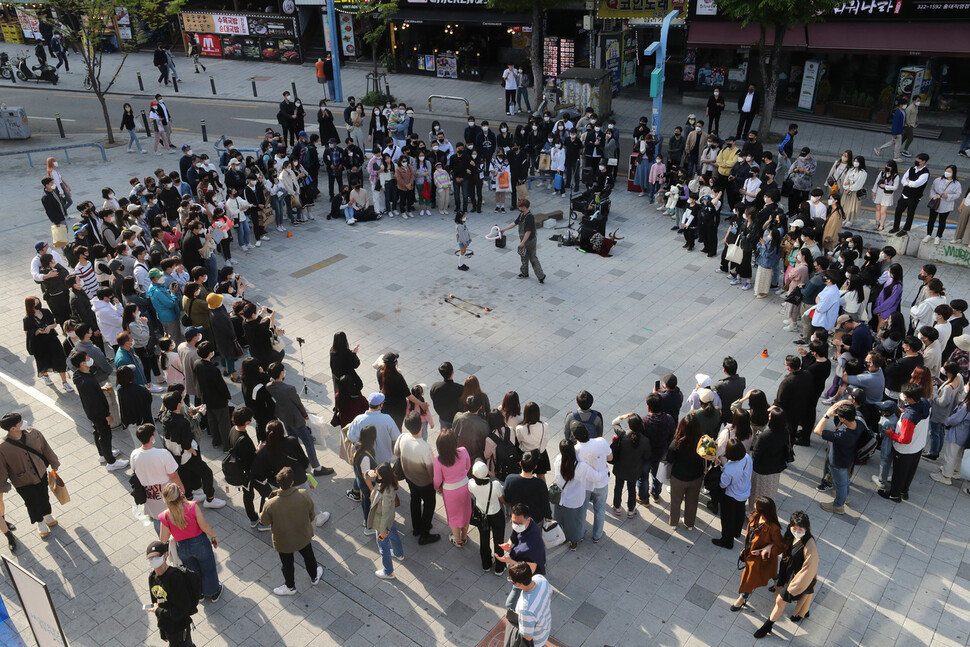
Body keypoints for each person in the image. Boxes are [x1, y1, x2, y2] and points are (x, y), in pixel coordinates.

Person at [259, 467, 327, 595]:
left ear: (277, 482)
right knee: (309, 557)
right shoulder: (303, 494)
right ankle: (314, 577)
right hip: (303, 534)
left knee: (287, 564)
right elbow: (311, 514)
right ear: (292, 482)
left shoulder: (270, 504)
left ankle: (290, 587)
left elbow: (264, 521)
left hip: (284, 540)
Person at [754, 511, 819, 637]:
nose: (797, 531)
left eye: (800, 529)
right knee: (789, 598)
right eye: (794, 527)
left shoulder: (810, 545)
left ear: (806, 528)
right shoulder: (790, 534)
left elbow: (809, 569)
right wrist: (768, 548)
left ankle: (767, 626)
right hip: (787, 571)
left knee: (780, 601)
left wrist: (792, 588)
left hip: (797, 578)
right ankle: (803, 612)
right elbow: (781, 544)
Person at [265, 362, 333, 476]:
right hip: (296, 419)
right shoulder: (289, 389)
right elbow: (298, 403)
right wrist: (305, 415)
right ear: (281, 373)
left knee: (293, 440)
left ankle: (298, 463)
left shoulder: (269, 386)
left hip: (284, 418)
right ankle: (317, 467)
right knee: (308, 441)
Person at [0, 414, 61, 539]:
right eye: (20, 422)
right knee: (32, 502)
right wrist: (3, 485)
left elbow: (45, 448)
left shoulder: (33, 433)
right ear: (12, 429)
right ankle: (40, 523)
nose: (24, 422)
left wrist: (54, 462)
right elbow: (1, 468)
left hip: (40, 473)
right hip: (22, 481)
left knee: (44, 495)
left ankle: (47, 515)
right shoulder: (2, 447)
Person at [159, 484, 223, 601]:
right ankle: (213, 592)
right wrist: (214, 535)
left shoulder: (165, 516)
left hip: (182, 547)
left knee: (193, 571)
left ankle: (199, 594)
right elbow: (204, 526)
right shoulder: (192, 507)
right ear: (180, 495)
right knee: (208, 568)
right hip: (200, 544)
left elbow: (163, 539)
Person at [70, 352, 126, 471]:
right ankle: (111, 462)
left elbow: (90, 394)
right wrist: (107, 415)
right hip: (98, 413)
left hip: (90, 411)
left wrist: (99, 389)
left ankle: (103, 454)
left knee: (97, 432)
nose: (90, 359)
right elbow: (96, 401)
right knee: (105, 435)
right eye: (88, 358)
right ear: (83, 364)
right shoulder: (88, 381)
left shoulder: (78, 376)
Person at [878, 382, 931, 503]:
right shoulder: (925, 403)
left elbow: (905, 439)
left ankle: (894, 495)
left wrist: (890, 433)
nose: (902, 396)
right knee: (910, 471)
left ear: (910, 399)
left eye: (905, 395)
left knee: (899, 473)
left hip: (905, 450)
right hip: (918, 445)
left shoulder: (909, 416)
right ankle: (904, 490)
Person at [731, 496, 784, 611]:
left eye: (756, 505)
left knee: (748, 579)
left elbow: (780, 545)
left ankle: (742, 598)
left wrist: (767, 548)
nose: (754, 506)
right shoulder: (756, 516)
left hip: (762, 559)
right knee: (771, 573)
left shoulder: (773, 527)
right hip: (751, 553)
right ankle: (777, 582)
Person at [394, 412, 440, 544]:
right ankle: (425, 534)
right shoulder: (425, 448)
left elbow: (396, 452)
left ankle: (416, 528)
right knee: (429, 505)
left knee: (414, 500)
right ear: (421, 426)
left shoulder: (402, 437)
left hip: (410, 478)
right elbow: (431, 470)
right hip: (425, 483)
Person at [812, 402, 863, 515]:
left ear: (843, 419)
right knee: (845, 481)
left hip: (838, 462)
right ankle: (845, 497)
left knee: (840, 484)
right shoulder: (859, 423)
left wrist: (827, 415)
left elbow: (817, 431)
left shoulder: (842, 435)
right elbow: (850, 403)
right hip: (848, 458)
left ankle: (838, 506)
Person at [145, 541, 197, 647]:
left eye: (156, 557)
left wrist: (159, 612)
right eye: (150, 558)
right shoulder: (152, 577)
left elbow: (182, 609)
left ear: (165, 555)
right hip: (168, 627)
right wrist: (162, 628)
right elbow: (156, 603)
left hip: (179, 628)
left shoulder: (175, 577)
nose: (153, 561)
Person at [228, 407, 270, 530]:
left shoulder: (232, 430)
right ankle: (263, 522)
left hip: (241, 473)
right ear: (246, 422)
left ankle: (253, 519)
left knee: (247, 494)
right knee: (267, 493)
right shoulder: (244, 440)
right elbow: (251, 459)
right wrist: (259, 450)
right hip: (251, 473)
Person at [433, 428, 472, 548]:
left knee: (454, 517)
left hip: (450, 492)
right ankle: (464, 537)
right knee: (466, 513)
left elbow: (437, 481)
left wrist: (437, 488)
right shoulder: (463, 451)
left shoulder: (438, 461)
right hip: (465, 487)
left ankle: (458, 541)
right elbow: (468, 466)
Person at [23, 296, 72, 391]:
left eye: (38, 302)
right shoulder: (27, 319)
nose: (38, 304)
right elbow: (27, 334)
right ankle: (45, 375)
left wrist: (49, 327)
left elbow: (54, 324)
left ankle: (65, 382)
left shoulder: (45, 312)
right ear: (31, 306)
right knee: (43, 361)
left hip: (52, 340)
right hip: (39, 344)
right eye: (36, 303)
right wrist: (37, 331)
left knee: (60, 360)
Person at [552, 438, 593, 550]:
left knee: (559, 519)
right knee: (574, 523)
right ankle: (573, 542)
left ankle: (560, 538)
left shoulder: (558, 460)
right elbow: (593, 477)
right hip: (575, 500)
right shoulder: (581, 466)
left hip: (560, 499)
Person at [666, 416, 705, 529]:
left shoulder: (676, 443)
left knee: (676, 501)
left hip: (679, 477)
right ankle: (689, 524)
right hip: (696, 477)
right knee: (692, 501)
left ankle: (674, 523)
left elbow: (670, 459)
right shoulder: (702, 441)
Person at [712, 438, 753, 548]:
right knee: (739, 512)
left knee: (727, 520)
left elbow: (723, 484)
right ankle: (737, 532)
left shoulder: (730, 468)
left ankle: (727, 541)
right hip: (744, 492)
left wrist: (717, 468)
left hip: (731, 496)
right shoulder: (747, 458)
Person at [366, 462, 404, 579]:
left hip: (382, 521)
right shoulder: (389, 479)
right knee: (393, 533)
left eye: (377, 472)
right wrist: (369, 473)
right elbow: (368, 476)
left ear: (382, 476)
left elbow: (385, 514)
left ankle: (388, 571)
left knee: (383, 545)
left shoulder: (387, 492)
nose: (375, 473)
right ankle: (399, 554)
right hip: (389, 520)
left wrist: (382, 530)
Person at [610, 414, 650, 519]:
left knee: (618, 487)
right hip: (634, 470)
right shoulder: (645, 440)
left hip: (620, 468)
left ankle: (617, 507)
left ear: (628, 425)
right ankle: (631, 510)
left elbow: (614, 423)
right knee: (632, 490)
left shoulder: (623, 434)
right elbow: (647, 456)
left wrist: (624, 416)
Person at [469, 459, 506, 572]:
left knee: (484, 540)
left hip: (482, 515)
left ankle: (486, 565)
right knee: (499, 541)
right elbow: (502, 499)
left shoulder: (471, 484)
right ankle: (499, 568)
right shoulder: (495, 485)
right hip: (496, 514)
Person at [347, 392, 401, 465]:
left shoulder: (358, 419)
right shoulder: (387, 418)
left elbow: (351, 438)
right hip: (384, 458)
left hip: (365, 458)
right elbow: (396, 437)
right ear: (380, 405)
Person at [500, 199, 545, 284]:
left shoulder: (529, 217)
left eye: (520, 207)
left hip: (530, 241)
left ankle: (541, 276)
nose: (519, 208)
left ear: (524, 207)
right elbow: (514, 223)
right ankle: (524, 273)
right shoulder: (521, 215)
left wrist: (522, 242)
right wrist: (504, 229)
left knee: (532, 258)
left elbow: (528, 232)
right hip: (524, 240)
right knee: (523, 256)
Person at [509, 562, 553, 647]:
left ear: (518, 584)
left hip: (536, 641)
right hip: (545, 626)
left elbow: (527, 637)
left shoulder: (525, 609)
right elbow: (550, 595)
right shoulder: (540, 579)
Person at [889, 153, 931, 235]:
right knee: (898, 211)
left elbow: (916, 184)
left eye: (918, 160)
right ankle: (895, 227)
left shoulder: (925, 173)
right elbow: (903, 180)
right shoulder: (911, 169)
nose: (916, 161)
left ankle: (905, 229)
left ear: (923, 162)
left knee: (910, 213)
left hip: (914, 197)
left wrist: (908, 182)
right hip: (904, 194)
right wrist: (908, 183)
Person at [925, 166, 962, 245]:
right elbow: (932, 189)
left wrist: (948, 196)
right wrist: (933, 196)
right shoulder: (938, 180)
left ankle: (938, 236)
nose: (947, 173)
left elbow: (958, 194)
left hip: (946, 204)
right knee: (931, 219)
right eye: (946, 171)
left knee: (942, 220)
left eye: (949, 171)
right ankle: (928, 234)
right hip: (935, 202)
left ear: (953, 173)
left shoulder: (956, 184)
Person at [515, 402, 550, 481]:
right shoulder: (544, 425)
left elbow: (519, 441)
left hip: (525, 454)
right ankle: (543, 490)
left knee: (524, 475)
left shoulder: (520, 428)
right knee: (541, 476)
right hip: (539, 453)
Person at [430, 362, 464, 430]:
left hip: (443, 418)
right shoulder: (460, 389)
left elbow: (432, 397)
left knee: (445, 436)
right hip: (456, 419)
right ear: (453, 372)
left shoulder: (435, 386)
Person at [875, 98, 907, 162]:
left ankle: (879, 148)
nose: (905, 105)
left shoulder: (902, 112)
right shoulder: (898, 113)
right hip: (897, 132)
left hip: (899, 131)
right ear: (901, 105)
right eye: (904, 104)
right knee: (898, 144)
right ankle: (896, 157)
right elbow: (895, 124)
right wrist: (894, 133)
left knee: (892, 142)